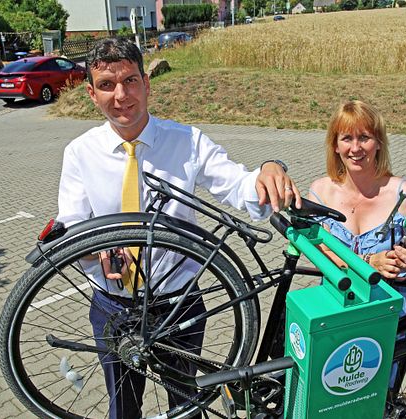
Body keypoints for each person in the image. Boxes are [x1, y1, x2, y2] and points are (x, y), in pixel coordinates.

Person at [55, 37, 301, 418]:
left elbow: (236, 184)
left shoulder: (187, 142)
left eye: (130, 81)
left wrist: (269, 168)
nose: (121, 95)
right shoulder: (79, 152)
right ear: (91, 93)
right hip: (112, 305)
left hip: (178, 302)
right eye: (107, 85)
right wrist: (94, 249)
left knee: (186, 404)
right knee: (123, 407)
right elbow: (73, 228)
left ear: (146, 84)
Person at [308, 100, 406, 316]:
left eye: (364, 137)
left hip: (386, 314)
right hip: (335, 311)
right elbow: (319, 256)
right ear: (335, 146)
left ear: (379, 143)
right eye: (347, 138)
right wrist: (369, 262)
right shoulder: (321, 193)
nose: (355, 148)